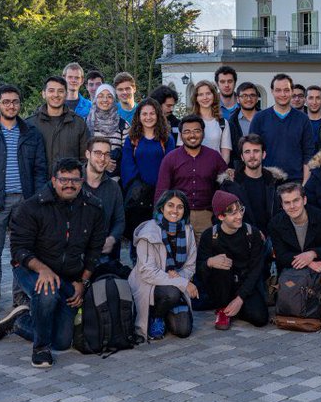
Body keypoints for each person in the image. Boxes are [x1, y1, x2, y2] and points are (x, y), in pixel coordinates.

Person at [0, 159, 105, 368]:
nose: (69, 184)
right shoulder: (31, 207)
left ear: (82, 180)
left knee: (61, 341)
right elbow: (19, 249)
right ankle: (41, 349)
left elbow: (94, 250)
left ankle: (20, 321)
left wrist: (82, 281)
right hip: (31, 269)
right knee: (47, 290)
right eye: (63, 179)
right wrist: (43, 270)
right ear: (53, 180)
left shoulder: (93, 208)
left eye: (75, 180)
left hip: (70, 275)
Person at [0, 84, 48, 316]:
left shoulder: (31, 133)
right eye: (6, 101)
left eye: (15, 101)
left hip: (24, 202)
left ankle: (20, 295)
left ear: (19, 104)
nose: (11, 105)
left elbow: (40, 169)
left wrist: (33, 200)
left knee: (21, 251)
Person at [198, 191, 271, 329]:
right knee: (222, 264)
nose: (239, 216)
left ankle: (234, 308)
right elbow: (199, 270)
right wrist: (210, 262)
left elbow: (256, 270)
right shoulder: (210, 235)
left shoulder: (252, 233)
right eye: (233, 213)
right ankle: (223, 309)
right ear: (220, 216)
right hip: (221, 284)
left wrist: (240, 299)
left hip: (245, 283)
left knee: (260, 319)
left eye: (240, 210)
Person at [131, 190, 198, 340]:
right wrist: (181, 282)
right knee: (172, 293)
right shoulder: (149, 233)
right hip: (149, 285)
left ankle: (167, 310)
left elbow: (190, 266)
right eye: (170, 205)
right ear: (162, 208)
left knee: (183, 330)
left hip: (174, 283)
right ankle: (156, 316)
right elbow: (147, 272)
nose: (175, 210)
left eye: (180, 207)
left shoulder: (188, 231)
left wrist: (179, 277)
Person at [155, 115, 228, 232]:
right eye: (187, 132)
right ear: (181, 135)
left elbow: (225, 188)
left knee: (206, 250)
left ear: (203, 133)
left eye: (196, 131)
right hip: (178, 216)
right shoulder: (170, 158)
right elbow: (161, 190)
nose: (192, 135)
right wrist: (158, 219)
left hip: (207, 217)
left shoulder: (214, 157)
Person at [120, 99, 176, 241]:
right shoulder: (132, 139)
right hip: (139, 195)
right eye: (144, 114)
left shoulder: (167, 139)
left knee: (159, 233)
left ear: (158, 115)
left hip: (161, 193)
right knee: (138, 232)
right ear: (139, 116)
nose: (148, 117)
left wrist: (161, 188)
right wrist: (139, 187)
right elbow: (127, 165)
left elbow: (170, 165)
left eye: (152, 113)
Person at [269, 183, 321, 291]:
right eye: (287, 203)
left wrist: (313, 253)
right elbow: (281, 256)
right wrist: (308, 262)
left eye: (296, 200)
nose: (292, 206)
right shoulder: (275, 224)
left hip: (320, 262)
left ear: (304, 200)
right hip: (292, 266)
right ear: (282, 205)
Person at [249, 73, 316, 184]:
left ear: (292, 91)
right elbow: (252, 152)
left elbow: (308, 154)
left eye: (286, 90)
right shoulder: (260, 118)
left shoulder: (303, 119)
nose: (283, 94)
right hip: (266, 181)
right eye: (278, 90)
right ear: (272, 91)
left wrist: (305, 184)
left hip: (296, 181)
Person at [217, 134, 286, 232]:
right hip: (242, 241)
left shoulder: (276, 183)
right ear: (242, 156)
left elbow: (283, 215)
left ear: (264, 154)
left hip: (272, 240)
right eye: (247, 152)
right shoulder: (230, 185)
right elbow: (221, 219)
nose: (252, 156)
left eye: (256, 151)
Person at [83, 136, 125, 272]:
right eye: (98, 153)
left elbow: (119, 220)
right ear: (87, 154)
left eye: (107, 154)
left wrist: (112, 239)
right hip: (74, 254)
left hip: (102, 254)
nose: (102, 159)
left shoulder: (113, 187)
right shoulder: (73, 183)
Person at [32, 75, 89, 167]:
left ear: (66, 94)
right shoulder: (31, 124)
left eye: (60, 91)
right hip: (40, 181)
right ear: (43, 94)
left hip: (70, 180)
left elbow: (85, 159)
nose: (56, 95)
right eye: (51, 91)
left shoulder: (79, 123)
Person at [189, 80, 233, 164]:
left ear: (214, 96)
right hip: (192, 171)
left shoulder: (222, 123)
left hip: (215, 171)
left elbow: (225, 154)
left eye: (208, 93)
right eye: (201, 94)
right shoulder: (188, 122)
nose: (205, 97)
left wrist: (219, 171)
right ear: (196, 98)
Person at [86, 83, 128, 154]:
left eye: (109, 96)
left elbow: (127, 153)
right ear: (95, 99)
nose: (105, 100)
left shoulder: (123, 125)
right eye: (100, 96)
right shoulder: (86, 122)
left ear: (114, 100)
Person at [227, 81, 260, 170]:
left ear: (257, 98)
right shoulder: (230, 123)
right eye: (244, 96)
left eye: (252, 95)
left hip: (263, 170)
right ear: (238, 99)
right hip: (239, 171)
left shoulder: (266, 119)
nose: (249, 99)